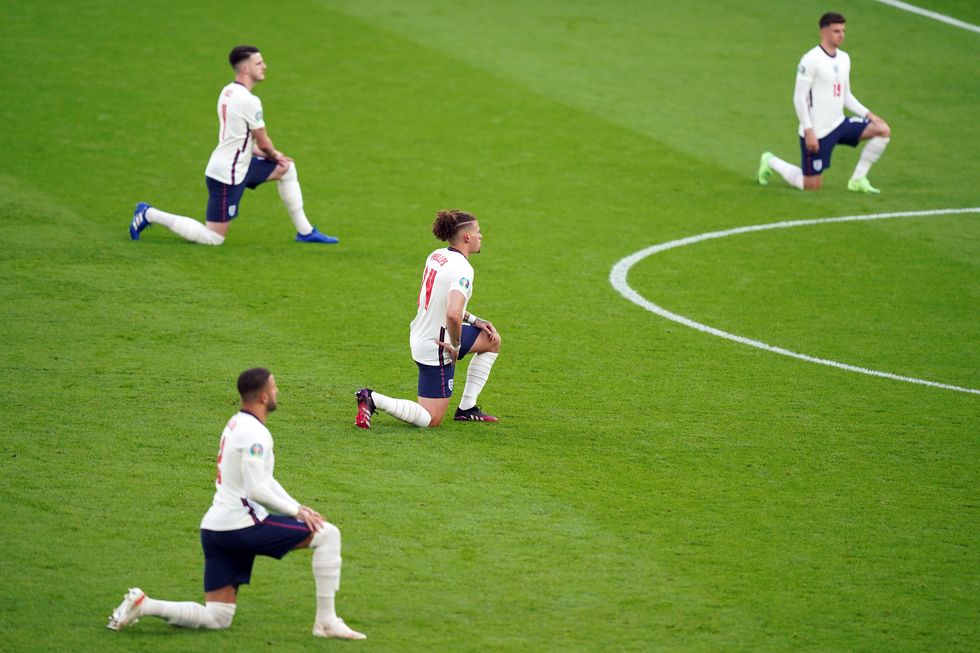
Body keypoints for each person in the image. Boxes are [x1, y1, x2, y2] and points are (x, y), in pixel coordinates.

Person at [107, 368, 365, 640]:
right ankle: (326, 623)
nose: (277, 392)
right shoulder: (256, 435)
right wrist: (295, 511)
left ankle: (143, 605)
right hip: (242, 527)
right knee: (328, 535)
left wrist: (298, 506)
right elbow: (256, 489)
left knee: (218, 617)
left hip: (215, 529)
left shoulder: (236, 424)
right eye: (275, 387)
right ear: (264, 397)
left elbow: (263, 479)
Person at [128, 45, 338, 245]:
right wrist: (273, 154)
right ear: (245, 68)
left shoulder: (227, 91)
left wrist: (273, 156)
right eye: (259, 63)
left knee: (286, 168)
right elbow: (263, 142)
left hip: (239, 164)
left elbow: (239, 137)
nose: (264, 66)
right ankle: (148, 213)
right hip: (227, 175)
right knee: (214, 238)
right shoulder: (249, 100)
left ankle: (305, 232)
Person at [355, 209, 501, 429]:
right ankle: (373, 398)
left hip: (422, 333)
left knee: (492, 340)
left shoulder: (436, 255)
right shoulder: (463, 269)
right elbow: (452, 313)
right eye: (478, 232)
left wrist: (472, 320)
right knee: (431, 419)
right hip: (437, 346)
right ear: (467, 237)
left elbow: (435, 300)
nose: (481, 236)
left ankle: (467, 408)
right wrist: (455, 345)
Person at [758, 12, 891, 193]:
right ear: (823, 32)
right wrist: (809, 131)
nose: (841, 34)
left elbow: (845, 95)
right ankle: (770, 161)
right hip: (818, 132)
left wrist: (870, 115)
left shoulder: (844, 58)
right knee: (811, 186)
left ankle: (858, 179)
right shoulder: (811, 59)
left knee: (882, 129)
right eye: (836, 31)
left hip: (839, 123)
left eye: (843, 30)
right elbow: (799, 98)